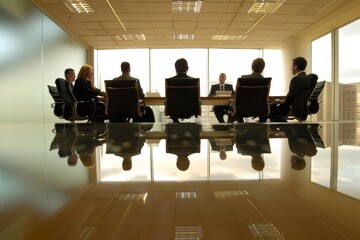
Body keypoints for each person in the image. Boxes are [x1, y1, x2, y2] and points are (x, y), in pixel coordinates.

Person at [269, 57, 312, 121]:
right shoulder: (308, 79)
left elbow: (291, 96)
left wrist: (283, 102)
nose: (290, 69)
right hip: (303, 110)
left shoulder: (296, 79)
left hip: (293, 109)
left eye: (291, 66)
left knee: (271, 108)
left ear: (295, 67)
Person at [167, 58, 194, 122]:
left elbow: (168, 99)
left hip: (174, 111)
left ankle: (176, 122)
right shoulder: (194, 81)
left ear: (175, 69)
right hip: (190, 111)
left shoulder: (169, 82)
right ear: (187, 68)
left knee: (173, 110)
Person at [241, 58, 267, 122]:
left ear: (252, 67)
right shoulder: (266, 81)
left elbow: (239, 96)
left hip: (243, 109)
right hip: (260, 109)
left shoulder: (244, 78)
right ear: (263, 68)